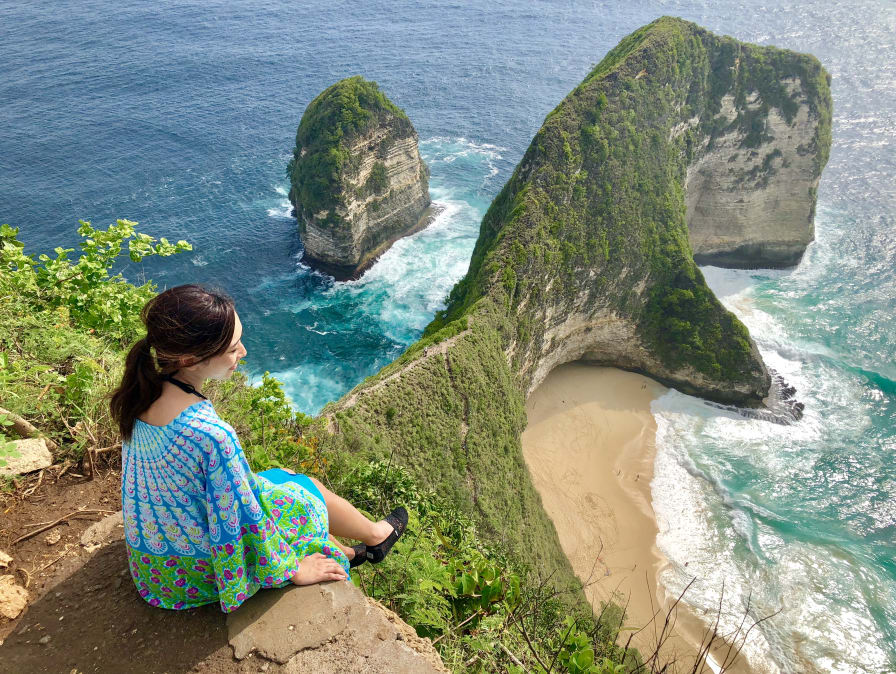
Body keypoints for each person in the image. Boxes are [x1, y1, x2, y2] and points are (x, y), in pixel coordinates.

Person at [109, 284, 407, 613]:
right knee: (305, 491)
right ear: (190, 360)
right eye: (233, 348)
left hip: (155, 569)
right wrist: (292, 569)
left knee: (283, 476)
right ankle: (370, 540)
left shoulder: (141, 395)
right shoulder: (211, 435)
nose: (244, 352)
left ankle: (358, 548)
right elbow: (241, 520)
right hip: (194, 577)